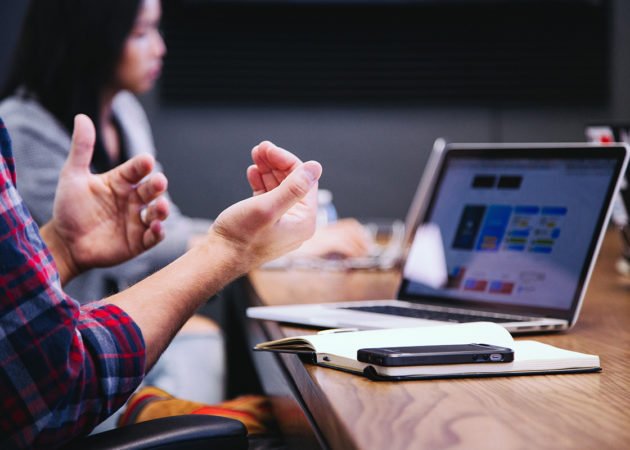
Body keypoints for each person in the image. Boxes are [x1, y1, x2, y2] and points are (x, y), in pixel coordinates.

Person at [0, 0, 370, 403]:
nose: (160, 47)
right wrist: (252, 246)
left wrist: (256, 240)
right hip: (78, 353)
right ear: (89, 38)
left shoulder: (123, 112)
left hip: (110, 334)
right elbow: (142, 255)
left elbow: (161, 229)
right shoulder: (22, 131)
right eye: (140, 33)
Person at [0, 113, 322, 448]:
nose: (162, 55)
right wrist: (231, 248)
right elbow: (56, 383)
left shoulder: (126, 110)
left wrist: (62, 250)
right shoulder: (25, 124)